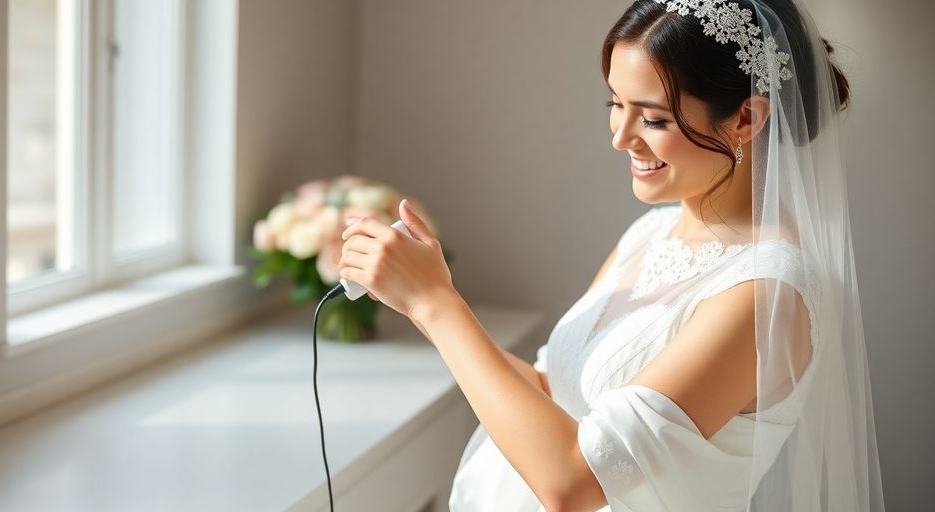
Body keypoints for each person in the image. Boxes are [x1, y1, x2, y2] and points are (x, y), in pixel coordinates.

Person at [338, 0, 885, 510]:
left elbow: (573, 482)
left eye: (652, 119)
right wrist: (420, 299)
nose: (621, 137)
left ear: (747, 119)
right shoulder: (652, 233)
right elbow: (551, 393)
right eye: (615, 105)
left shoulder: (768, 294)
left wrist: (438, 304)